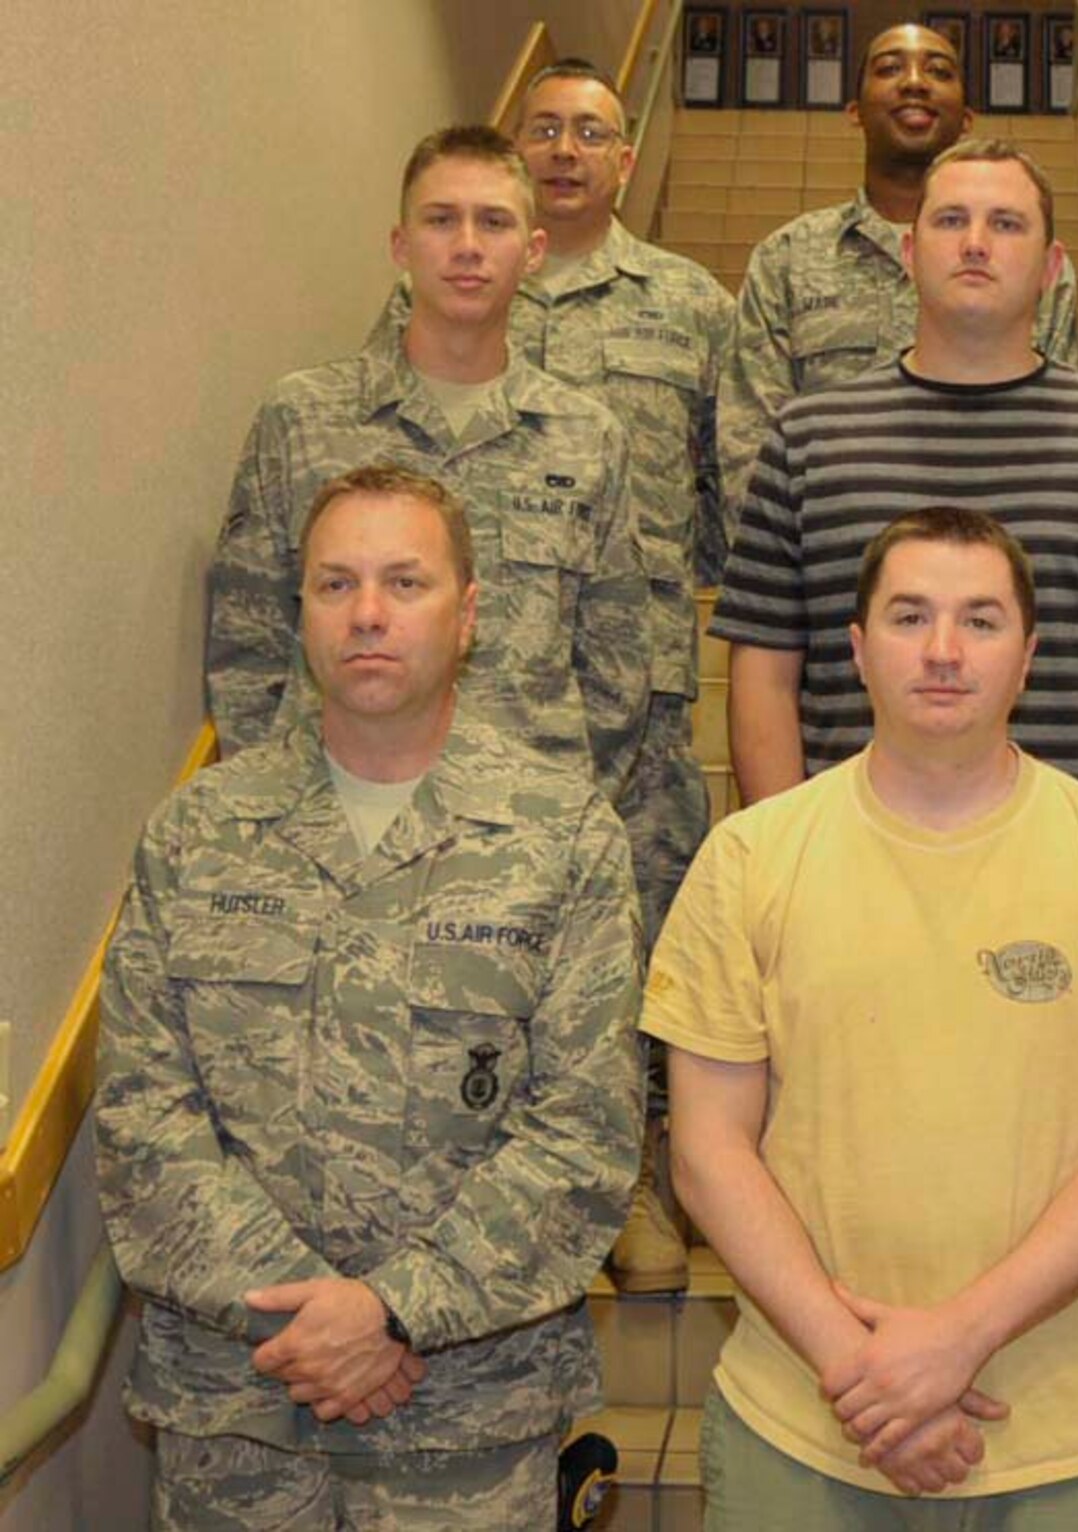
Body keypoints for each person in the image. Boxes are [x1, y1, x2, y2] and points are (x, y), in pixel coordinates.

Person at [649, 508, 1078, 1525]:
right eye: (908, 616)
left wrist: (955, 1338)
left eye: (979, 620)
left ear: (1027, 655)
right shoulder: (750, 857)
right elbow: (707, 1150)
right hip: (803, 1420)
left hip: (1059, 1436)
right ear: (855, 649)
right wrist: (864, 1371)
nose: (940, 650)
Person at [99, 466, 642, 1529]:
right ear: (298, 609)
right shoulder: (196, 833)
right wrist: (312, 1323)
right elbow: (142, 1119)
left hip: (468, 1418)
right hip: (239, 1412)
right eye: (334, 583)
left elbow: (584, 1131)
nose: (369, 613)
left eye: (405, 580)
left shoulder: (560, 836)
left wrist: (395, 1310)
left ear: (469, 610)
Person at [370, 64, 736, 1292]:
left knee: (620, 941)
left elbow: (717, 486)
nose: (570, 149)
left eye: (595, 132)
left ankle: (630, 1165)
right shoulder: (414, 324)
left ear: (625, 161)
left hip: (609, 701)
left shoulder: (688, 299)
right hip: (421, 713)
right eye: (547, 130)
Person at [713, 140, 1078, 828]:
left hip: (1066, 872)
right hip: (851, 868)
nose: (976, 244)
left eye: (1006, 224)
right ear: (908, 253)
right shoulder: (808, 439)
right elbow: (763, 674)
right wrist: (784, 860)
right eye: (951, 221)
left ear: (1050, 268)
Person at [206, 124, 649, 816]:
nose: (468, 245)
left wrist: (560, 815)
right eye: (441, 220)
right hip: (326, 822)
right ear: (400, 246)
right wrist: (282, 803)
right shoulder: (302, 419)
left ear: (533, 252)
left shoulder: (587, 438)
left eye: (494, 222)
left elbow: (617, 669)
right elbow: (247, 639)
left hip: (520, 834)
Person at [716, 23, 1078, 515]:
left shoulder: (1032, 265)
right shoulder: (786, 258)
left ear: (968, 117)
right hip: (833, 561)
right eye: (889, 69)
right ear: (855, 112)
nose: (914, 82)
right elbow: (750, 445)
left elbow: (1058, 434)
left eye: (939, 72)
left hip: (998, 565)